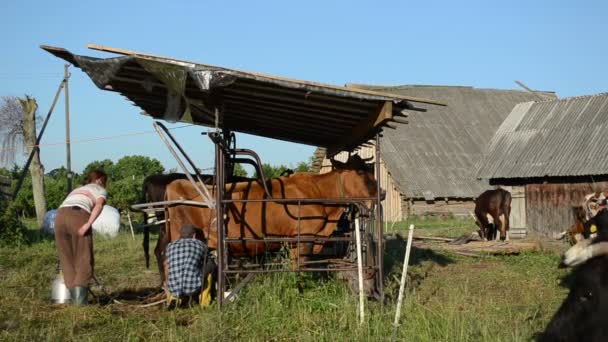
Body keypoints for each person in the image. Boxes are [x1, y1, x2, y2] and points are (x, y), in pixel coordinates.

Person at [54, 169, 107, 305]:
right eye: (105, 181)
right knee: (84, 258)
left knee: (67, 258)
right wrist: (88, 223)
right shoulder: (99, 189)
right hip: (78, 216)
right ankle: (80, 304)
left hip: (59, 217)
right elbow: (99, 205)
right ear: (99, 180)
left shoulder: (78, 189)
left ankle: (73, 300)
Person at [165, 224, 215, 309]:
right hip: (193, 287)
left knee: (172, 268)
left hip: (173, 288)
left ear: (180, 235)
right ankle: (204, 302)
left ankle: (174, 299)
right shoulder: (200, 244)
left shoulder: (170, 246)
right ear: (194, 235)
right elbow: (206, 259)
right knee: (210, 267)